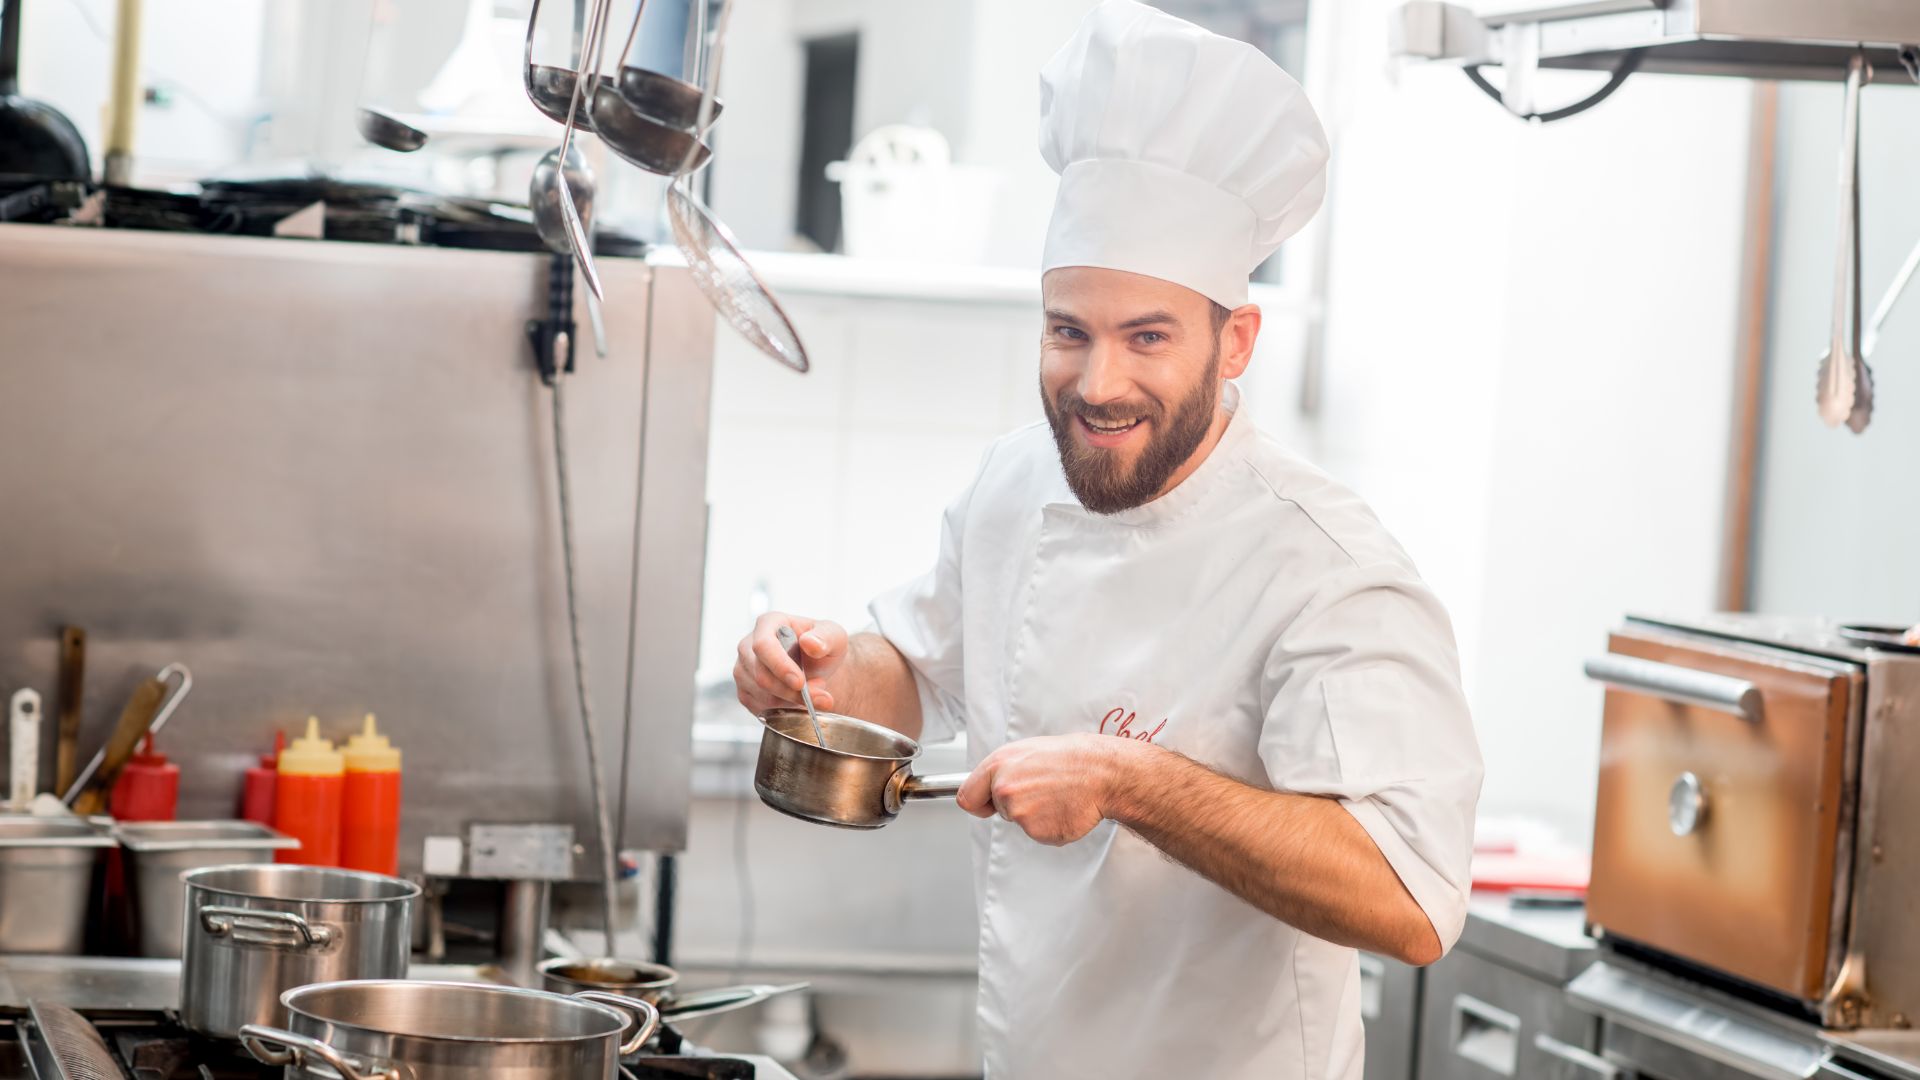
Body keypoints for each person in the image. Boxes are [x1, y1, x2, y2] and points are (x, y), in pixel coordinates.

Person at [733, 3, 1483, 1076]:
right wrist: (816, 670)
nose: (1098, 384)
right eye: (1068, 332)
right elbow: (913, 671)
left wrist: (1132, 781)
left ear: (1237, 343)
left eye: (1147, 338)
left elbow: (1411, 901)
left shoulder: (1326, 565)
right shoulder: (1013, 481)